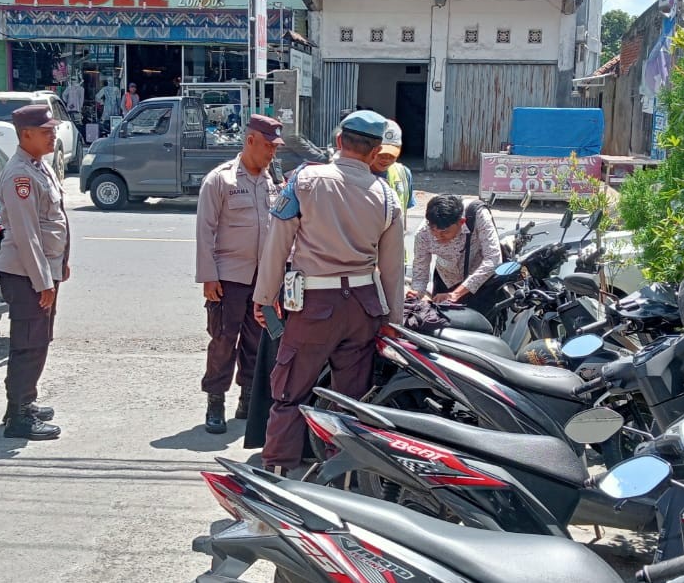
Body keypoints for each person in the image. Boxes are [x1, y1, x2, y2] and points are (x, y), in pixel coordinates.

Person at [252, 109, 405, 476]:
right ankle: (344, 478)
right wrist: (394, 326)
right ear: (374, 153)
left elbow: (277, 244)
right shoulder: (387, 196)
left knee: (291, 394)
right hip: (364, 309)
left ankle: (279, 475)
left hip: (313, 306)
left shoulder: (303, 181)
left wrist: (263, 298)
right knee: (350, 402)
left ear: (338, 142)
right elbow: (393, 271)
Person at [195, 115, 283, 434]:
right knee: (223, 339)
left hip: (264, 276)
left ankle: (248, 399)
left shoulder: (271, 180)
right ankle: (215, 401)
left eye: (275, 147)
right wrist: (208, 276)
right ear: (250, 141)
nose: (273, 152)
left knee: (256, 340)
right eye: (269, 145)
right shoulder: (221, 180)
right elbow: (205, 230)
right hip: (228, 276)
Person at [0, 104, 70, 441]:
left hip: (41, 272)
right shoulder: (20, 175)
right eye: (46, 131)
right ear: (26, 135)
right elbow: (27, 236)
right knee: (28, 345)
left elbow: (53, 220)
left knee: (37, 341)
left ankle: (23, 403)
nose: (53, 135)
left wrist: (60, 264)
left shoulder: (39, 166)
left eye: (53, 129)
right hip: (26, 275)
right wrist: (43, 282)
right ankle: (19, 417)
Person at [410, 193, 502, 309]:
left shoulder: (478, 214)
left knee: (481, 323)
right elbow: (420, 272)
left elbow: (493, 259)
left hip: (480, 280)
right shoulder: (423, 233)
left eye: (445, 232)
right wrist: (417, 293)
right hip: (446, 279)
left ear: (461, 222)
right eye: (434, 231)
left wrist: (456, 293)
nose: (438, 237)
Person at [371, 119, 415, 212]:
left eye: (392, 155)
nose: (386, 159)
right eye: (381, 154)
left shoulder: (403, 174)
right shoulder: (357, 173)